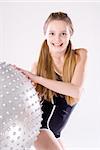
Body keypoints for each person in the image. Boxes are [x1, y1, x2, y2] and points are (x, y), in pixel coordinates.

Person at [15, 12, 87, 150]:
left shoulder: (80, 55)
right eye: (52, 33)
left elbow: (76, 91)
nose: (57, 39)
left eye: (63, 33)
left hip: (55, 133)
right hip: (40, 128)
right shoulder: (38, 66)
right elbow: (31, 104)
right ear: (45, 35)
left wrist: (38, 79)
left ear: (70, 34)